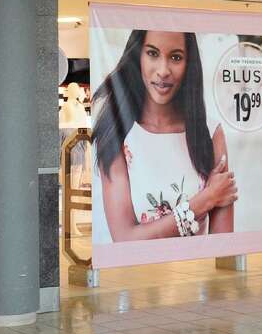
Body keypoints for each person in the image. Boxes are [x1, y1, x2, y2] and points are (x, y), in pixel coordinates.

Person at [93, 30, 238, 241]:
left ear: (189, 64)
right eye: (152, 53)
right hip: (137, 272)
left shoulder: (210, 132)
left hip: (197, 271)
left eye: (176, 57)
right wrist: (205, 200)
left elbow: (223, 243)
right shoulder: (117, 134)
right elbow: (124, 239)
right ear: (138, 57)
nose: (163, 71)